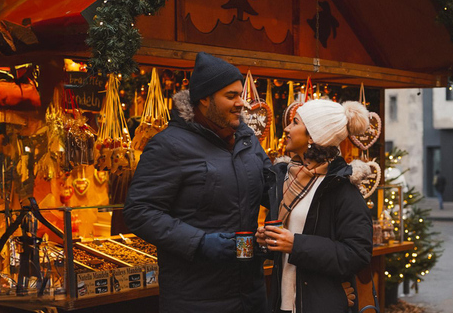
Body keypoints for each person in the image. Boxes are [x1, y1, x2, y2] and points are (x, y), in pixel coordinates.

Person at [123, 52, 271, 313]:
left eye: (241, 94)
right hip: (196, 297)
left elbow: (271, 187)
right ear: (204, 98)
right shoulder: (169, 145)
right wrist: (200, 242)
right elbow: (140, 212)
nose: (241, 103)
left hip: (250, 293)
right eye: (231, 96)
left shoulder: (247, 140)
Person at [258, 99, 374, 313]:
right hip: (282, 302)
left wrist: (296, 245)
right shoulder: (286, 179)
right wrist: (268, 241)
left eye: (294, 122)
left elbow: (358, 254)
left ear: (312, 136)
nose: (286, 128)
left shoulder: (341, 188)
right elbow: (284, 245)